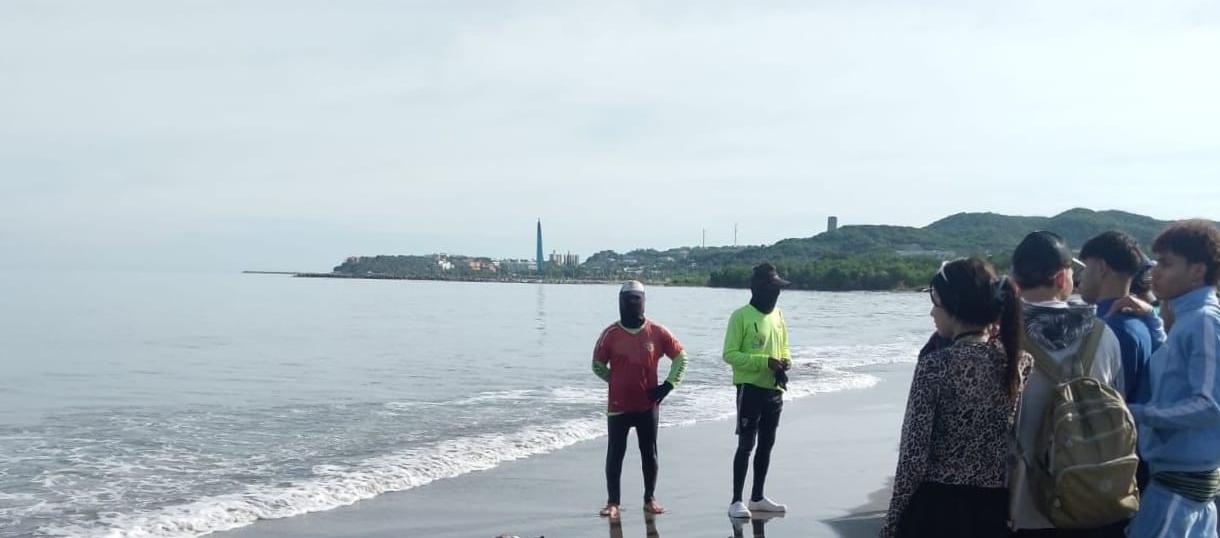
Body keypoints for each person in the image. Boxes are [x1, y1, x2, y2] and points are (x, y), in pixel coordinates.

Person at [880, 258, 1030, 538]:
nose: (932, 314)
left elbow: (913, 457)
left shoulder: (936, 365)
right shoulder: (1019, 364)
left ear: (954, 306)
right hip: (992, 508)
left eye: (936, 304)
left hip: (936, 509)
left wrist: (892, 521)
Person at [1009, 231, 1130, 537]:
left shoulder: (1000, 338)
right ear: (1063, 279)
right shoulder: (1104, 335)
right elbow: (1120, 406)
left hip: (1025, 504)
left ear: (1014, 281)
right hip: (1094, 496)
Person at [1126, 220, 1220, 538]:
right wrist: (1154, 323)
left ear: (1198, 270)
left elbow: (1210, 405)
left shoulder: (1204, 321)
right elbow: (1178, 371)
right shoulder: (1190, 319)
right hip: (1181, 489)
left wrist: (1135, 413)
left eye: (1166, 264)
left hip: (1179, 494)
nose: (1155, 272)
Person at [592, 281, 688, 518]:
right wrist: (615, 381)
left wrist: (668, 385)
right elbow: (597, 365)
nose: (632, 303)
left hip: (648, 405)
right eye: (627, 300)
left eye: (637, 299)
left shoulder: (657, 332)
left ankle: (650, 499)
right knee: (615, 452)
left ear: (643, 301)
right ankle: (613, 502)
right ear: (620, 302)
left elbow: (681, 358)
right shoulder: (610, 334)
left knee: (649, 452)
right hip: (618, 406)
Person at [723, 263, 792, 519]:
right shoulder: (740, 316)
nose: (778, 293)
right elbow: (729, 354)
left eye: (779, 289)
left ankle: (758, 497)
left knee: (767, 444)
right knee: (746, 444)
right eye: (774, 288)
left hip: (774, 390)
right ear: (760, 289)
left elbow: (785, 347)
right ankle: (736, 500)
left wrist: (785, 362)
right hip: (749, 389)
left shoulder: (778, 316)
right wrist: (763, 362)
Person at [1077, 231, 1155, 404]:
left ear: (1101, 268)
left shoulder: (1108, 328)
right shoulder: (1140, 323)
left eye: (1084, 268)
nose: (1081, 277)